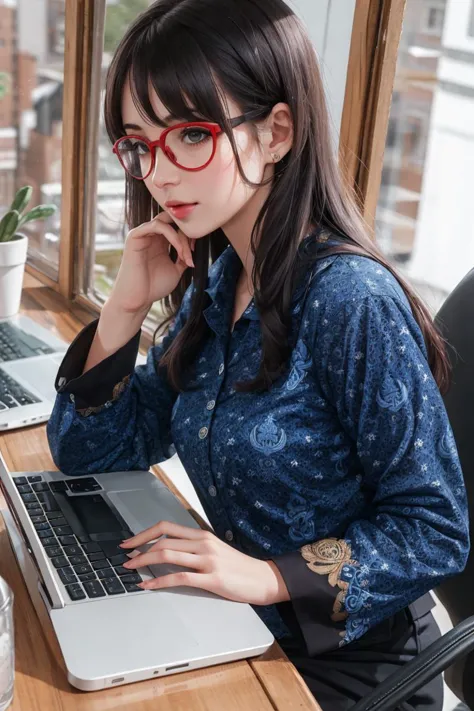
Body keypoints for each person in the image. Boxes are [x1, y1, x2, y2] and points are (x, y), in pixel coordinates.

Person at [47, 1, 469, 708]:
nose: (158, 173)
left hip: (351, 667)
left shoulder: (348, 299)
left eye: (189, 134)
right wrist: (123, 307)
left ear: (277, 132)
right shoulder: (214, 286)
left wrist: (271, 576)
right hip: (237, 626)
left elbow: (435, 529)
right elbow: (89, 453)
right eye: (139, 143)